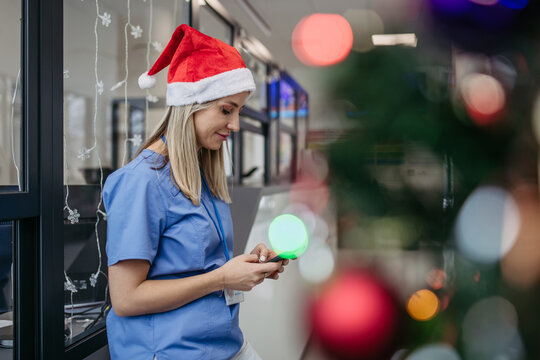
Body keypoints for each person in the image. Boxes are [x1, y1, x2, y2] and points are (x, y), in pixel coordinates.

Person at [103, 24, 288, 360]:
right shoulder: (140, 182)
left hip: (223, 343)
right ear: (191, 105)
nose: (234, 125)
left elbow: (200, 265)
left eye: (239, 112)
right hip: (171, 351)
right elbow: (126, 300)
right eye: (226, 110)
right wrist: (221, 278)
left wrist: (245, 268)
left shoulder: (201, 173)